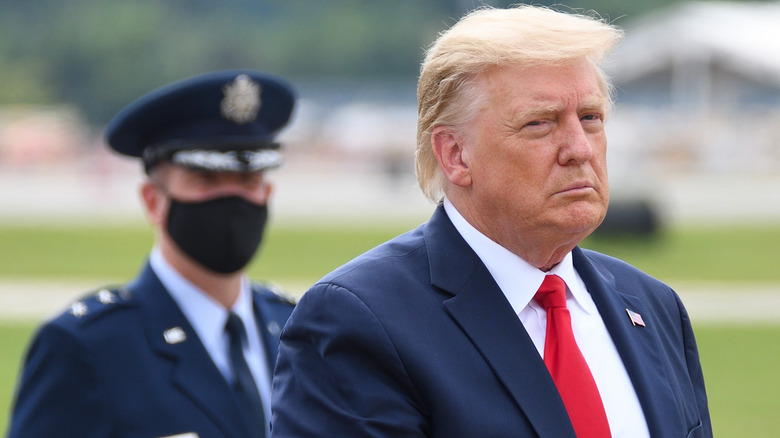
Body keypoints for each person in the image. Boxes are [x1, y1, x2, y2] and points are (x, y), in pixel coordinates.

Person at [271, 5, 711, 438]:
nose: (580, 148)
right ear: (455, 155)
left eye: (591, 118)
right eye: (540, 123)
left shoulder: (653, 306)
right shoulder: (361, 321)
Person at [8, 70, 297, 438]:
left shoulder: (294, 330)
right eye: (205, 181)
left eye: (248, 182)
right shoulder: (89, 348)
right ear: (153, 200)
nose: (233, 201)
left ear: (267, 194)